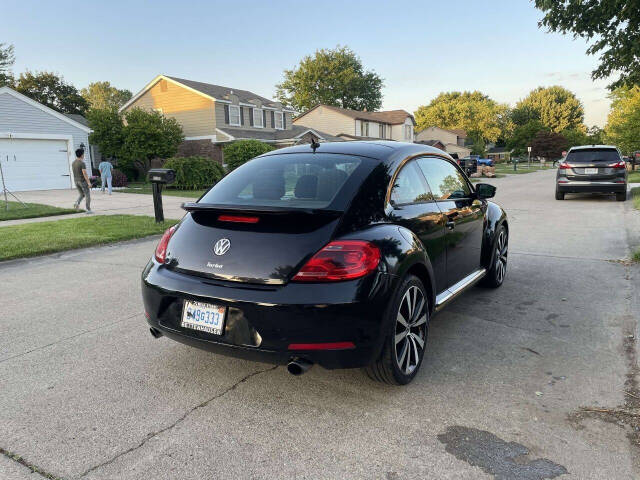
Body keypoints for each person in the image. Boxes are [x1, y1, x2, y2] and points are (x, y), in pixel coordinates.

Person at [72, 148, 92, 213]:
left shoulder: (73, 163)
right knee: (87, 195)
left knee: (82, 194)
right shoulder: (82, 163)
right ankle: (88, 209)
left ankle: (77, 203)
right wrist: (89, 183)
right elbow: (84, 173)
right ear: (81, 155)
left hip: (76, 181)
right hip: (82, 181)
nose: (84, 155)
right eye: (83, 154)